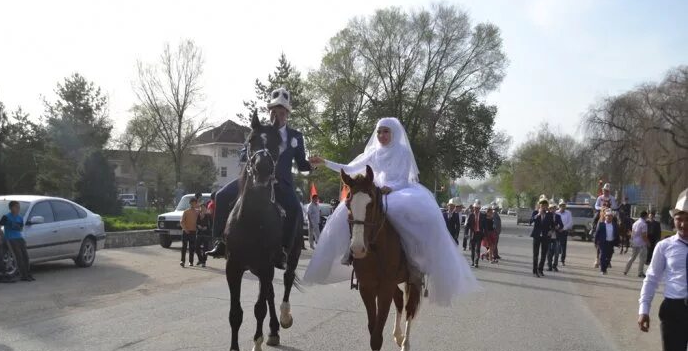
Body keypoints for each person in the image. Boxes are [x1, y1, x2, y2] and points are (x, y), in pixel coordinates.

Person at [304, 117, 478, 306]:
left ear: (393, 133)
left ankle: (414, 261)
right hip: (376, 191)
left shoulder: (402, 152)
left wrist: (390, 188)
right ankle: (350, 252)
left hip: (399, 191)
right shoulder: (373, 152)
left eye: (385, 131)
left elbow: (404, 179)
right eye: (379, 132)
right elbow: (349, 168)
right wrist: (324, 162)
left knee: (414, 215)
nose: (381, 135)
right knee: (349, 212)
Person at [208, 87, 312, 269]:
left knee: (295, 208)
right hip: (254, 180)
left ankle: (284, 250)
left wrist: (313, 164)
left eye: (281, 112)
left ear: (287, 113)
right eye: (273, 111)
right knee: (222, 196)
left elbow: (302, 164)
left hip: (281, 184)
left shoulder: (296, 136)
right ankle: (220, 241)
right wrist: (247, 154)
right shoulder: (260, 130)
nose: (277, 116)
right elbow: (244, 152)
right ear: (269, 111)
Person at [637, 188, 688, 351]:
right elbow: (652, 278)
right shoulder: (664, 246)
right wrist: (643, 309)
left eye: (687, 217)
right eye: (679, 217)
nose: (682, 222)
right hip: (675, 311)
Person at [0, 201, 33, 281]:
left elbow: (20, 228)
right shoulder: (6, 217)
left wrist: (15, 226)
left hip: (19, 238)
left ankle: (28, 274)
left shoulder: (20, 218)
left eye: (18, 207)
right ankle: (23, 276)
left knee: (25, 257)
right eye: (16, 207)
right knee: (19, 257)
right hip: (11, 239)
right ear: (11, 208)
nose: (18, 208)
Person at [530, 197, 554, 277]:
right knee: (535, 254)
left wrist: (551, 231)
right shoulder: (535, 212)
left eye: (545, 205)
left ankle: (540, 269)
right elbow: (531, 221)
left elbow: (553, 225)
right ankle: (535, 270)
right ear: (539, 205)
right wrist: (538, 214)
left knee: (544, 254)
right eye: (542, 205)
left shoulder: (550, 214)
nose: (543, 206)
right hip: (536, 236)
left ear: (547, 206)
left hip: (545, 236)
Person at [624, 210, 648, 277]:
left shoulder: (635, 223)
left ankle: (626, 270)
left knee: (632, 257)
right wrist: (647, 242)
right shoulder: (644, 224)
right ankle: (640, 272)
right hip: (642, 243)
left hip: (635, 242)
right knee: (642, 258)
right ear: (645, 216)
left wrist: (632, 240)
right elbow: (644, 235)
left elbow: (633, 233)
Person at [594, 210, 619, 275]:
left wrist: (618, 243)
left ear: (612, 217)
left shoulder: (615, 225)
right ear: (605, 216)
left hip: (611, 243)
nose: (609, 217)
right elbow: (597, 234)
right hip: (603, 243)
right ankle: (603, 270)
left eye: (610, 216)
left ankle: (605, 267)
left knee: (609, 257)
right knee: (602, 256)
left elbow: (617, 234)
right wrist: (596, 242)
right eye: (607, 216)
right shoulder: (601, 224)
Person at [464, 201, 487, 268]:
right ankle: (472, 262)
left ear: (479, 208)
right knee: (473, 249)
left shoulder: (483, 216)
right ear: (473, 208)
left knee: (478, 249)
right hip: (472, 234)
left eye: (477, 208)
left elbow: (485, 226)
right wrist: (466, 233)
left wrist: (485, 235)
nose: (476, 209)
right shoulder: (471, 215)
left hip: (479, 234)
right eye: (475, 208)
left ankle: (476, 262)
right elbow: (467, 226)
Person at [179, 197, 198, 267]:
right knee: (184, 247)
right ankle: (182, 261)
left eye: (195, 203)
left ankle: (191, 262)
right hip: (185, 231)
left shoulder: (197, 212)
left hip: (193, 231)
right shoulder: (186, 212)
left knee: (192, 247)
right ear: (190, 203)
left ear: (196, 204)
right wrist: (185, 229)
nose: (193, 204)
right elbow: (181, 222)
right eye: (192, 203)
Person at [546, 201, 564, 272]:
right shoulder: (547, 216)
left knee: (556, 252)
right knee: (549, 252)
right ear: (549, 209)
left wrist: (558, 228)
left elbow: (562, 225)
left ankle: (555, 266)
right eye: (551, 208)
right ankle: (549, 266)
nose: (553, 210)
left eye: (554, 208)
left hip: (556, 236)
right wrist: (549, 230)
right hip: (549, 236)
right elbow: (545, 225)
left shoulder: (558, 216)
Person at [556, 199, 573, 266]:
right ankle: (555, 259)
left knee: (563, 246)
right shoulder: (556, 213)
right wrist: (557, 228)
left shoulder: (568, 213)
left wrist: (563, 229)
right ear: (559, 206)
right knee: (556, 245)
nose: (562, 207)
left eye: (564, 206)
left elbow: (570, 222)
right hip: (557, 231)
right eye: (561, 206)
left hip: (564, 231)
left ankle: (562, 260)